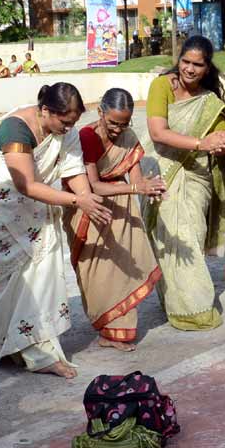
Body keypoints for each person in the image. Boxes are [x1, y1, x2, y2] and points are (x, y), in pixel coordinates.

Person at [0, 83, 110, 379]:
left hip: (34, 218)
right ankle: (4, 347)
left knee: (37, 283)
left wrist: (89, 201)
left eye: (73, 122)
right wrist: (77, 200)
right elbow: (27, 185)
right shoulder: (15, 130)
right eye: (64, 121)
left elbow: (74, 171)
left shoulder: (65, 132)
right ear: (45, 110)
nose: (69, 128)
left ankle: (38, 352)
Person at [63, 88, 165, 351]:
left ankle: (118, 332)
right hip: (89, 208)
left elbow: (138, 179)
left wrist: (151, 188)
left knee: (122, 267)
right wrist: (136, 189)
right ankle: (103, 325)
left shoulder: (128, 136)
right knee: (95, 271)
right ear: (100, 113)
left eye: (124, 123)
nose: (119, 129)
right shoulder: (86, 136)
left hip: (121, 208)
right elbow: (93, 185)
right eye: (113, 123)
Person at [143, 35, 225, 330]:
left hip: (196, 178)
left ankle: (184, 302)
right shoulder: (162, 86)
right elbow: (158, 132)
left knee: (191, 235)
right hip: (163, 172)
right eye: (185, 62)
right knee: (170, 239)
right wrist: (201, 143)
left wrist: (220, 143)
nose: (190, 69)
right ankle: (191, 307)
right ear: (178, 59)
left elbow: (219, 139)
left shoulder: (210, 101)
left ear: (207, 67)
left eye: (197, 64)